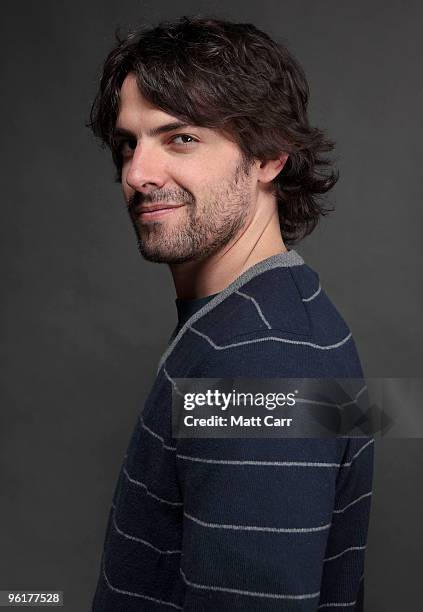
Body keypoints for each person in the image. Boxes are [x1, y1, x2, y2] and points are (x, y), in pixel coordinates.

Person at [88, 15, 374, 611]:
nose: (137, 173)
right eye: (128, 143)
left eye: (181, 138)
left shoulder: (266, 357)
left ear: (270, 155)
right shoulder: (248, 325)